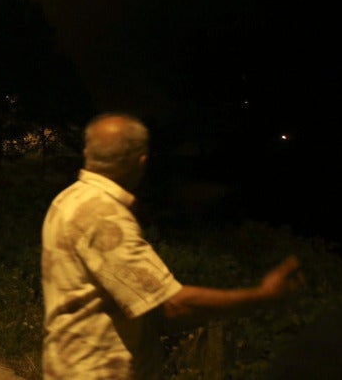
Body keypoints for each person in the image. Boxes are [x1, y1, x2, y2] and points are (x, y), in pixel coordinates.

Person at [41, 112, 304, 379]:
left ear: (87, 152)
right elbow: (172, 306)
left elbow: (142, 308)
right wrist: (263, 297)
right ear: (142, 162)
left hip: (66, 366)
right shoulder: (102, 216)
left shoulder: (66, 201)